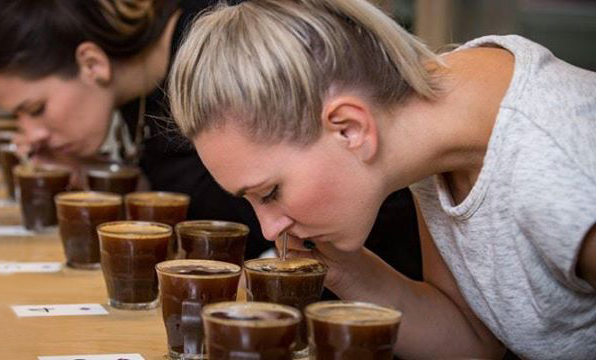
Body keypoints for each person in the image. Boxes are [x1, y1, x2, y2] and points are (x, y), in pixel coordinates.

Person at [167, 0, 596, 359]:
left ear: (350, 128)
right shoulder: (435, 140)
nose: (269, 228)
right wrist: (344, 270)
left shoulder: (561, 168)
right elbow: (475, 340)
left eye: (270, 193)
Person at [0, 0, 423, 276]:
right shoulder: (132, 95)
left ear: (91, 63)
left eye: (35, 110)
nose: (30, 138)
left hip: (383, 273)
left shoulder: (211, 53)